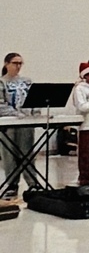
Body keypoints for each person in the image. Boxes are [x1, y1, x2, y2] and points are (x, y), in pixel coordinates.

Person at [0, 53, 44, 198]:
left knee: (28, 153)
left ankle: (33, 183)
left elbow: (35, 99)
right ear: (6, 64)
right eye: (15, 63)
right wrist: (15, 113)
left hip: (26, 122)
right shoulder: (2, 82)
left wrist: (36, 113)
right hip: (8, 123)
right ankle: (12, 184)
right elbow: (1, 104)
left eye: (20, 63)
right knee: (9, 154)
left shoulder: (27, 81)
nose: (18, 66)